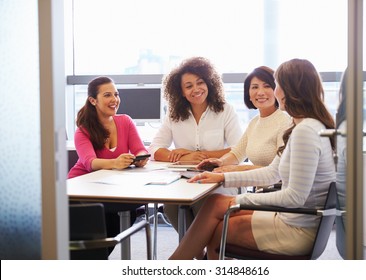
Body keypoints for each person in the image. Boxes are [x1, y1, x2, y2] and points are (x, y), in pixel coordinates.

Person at [169, 58, 336, 260]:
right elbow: (272, 173)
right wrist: (222, 178)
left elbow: (294, 197)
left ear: (289, 89)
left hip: (296, 229)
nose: (274, 91)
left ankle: (176, 265)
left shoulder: (305, 131)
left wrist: (237, 200)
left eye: (276, 85)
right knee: (214, 202)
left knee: (216, 225)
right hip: (292, 218)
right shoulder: (302, 127)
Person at [148, 57, 243, 245]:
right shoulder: (174, 115)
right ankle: (199, 255)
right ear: (181, 92)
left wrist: (204, 156)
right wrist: (183, 157)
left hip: (217, 179)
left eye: (200, 82)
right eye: (189, 86)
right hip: (184, 179)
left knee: (203, 202)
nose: (196, 89)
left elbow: (239, 149)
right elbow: (155, 149)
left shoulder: (225, 110)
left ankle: (207, 249)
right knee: (171, 207)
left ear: (209, 83)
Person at [68, 76, 149, 251]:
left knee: (118, 225)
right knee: (95, 246)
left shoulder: (125, 121)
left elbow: (140, 149)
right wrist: (115, 162)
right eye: (107, 95)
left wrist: (141, 158)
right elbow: (90, 163)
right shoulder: (83, 130)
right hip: (82, 189)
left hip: (111, 188)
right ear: (93, 100)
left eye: (116, 94)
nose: (114, 99)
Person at [197, 66, 291, 184]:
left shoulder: (285, 122)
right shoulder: (254, 122)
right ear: (249, 94)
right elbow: (237, 154)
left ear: (277, 90)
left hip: (277, 191)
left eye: (267, 86)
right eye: (254, 87)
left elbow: (279, 171)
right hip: (260, 189)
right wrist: (220, 162)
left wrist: (238, 169)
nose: (260, 92)